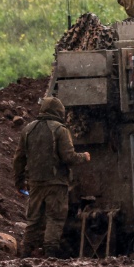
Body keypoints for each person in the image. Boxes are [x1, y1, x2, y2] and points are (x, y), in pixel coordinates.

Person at [13, 96, 90, 258]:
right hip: (56, 184)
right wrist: (84, 157)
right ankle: (50, 254)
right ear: (59, 112)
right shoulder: (60, 130)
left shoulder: (28, 129)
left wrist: (19, 183)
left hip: (35, 183)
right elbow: (68, 157)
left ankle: (25, 254)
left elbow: (19, 159)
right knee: (55, 218)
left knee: (33, 220)